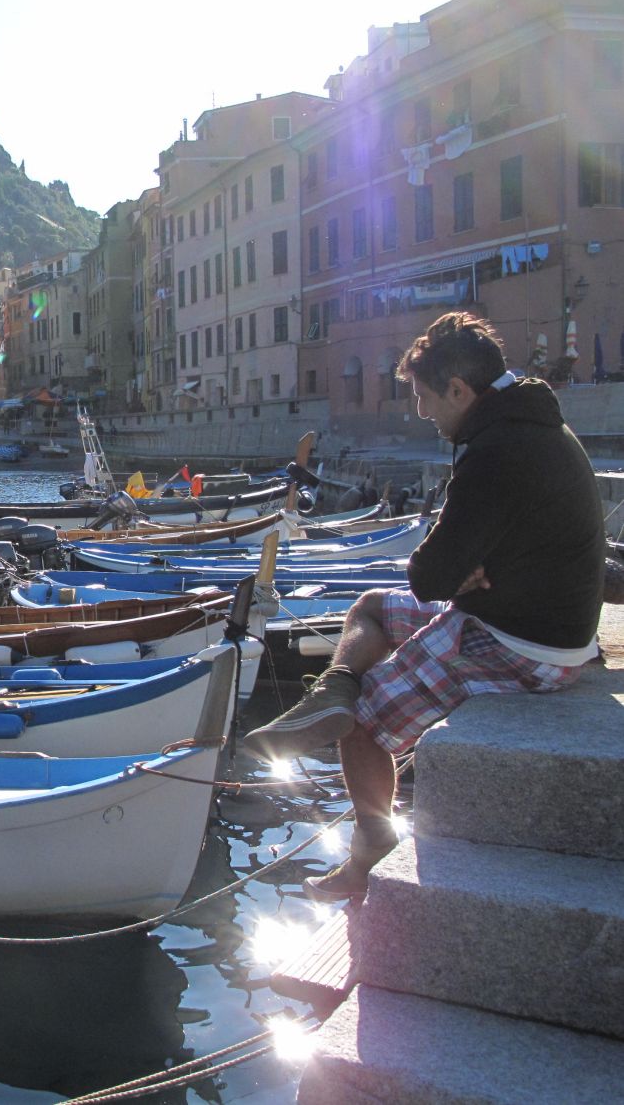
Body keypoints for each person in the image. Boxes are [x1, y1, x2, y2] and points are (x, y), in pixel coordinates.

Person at [242, 312, 605, 901]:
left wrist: (457, 578)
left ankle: (365, 862)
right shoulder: (533, 426)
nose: (421, 411)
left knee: (363, 726)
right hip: (544, 622)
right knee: (373, 606)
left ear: (459, 390)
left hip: (522, 645)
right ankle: (331, 688)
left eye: (424, 395)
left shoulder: (496, 452)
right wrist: (465, 574)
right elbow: (441, 575)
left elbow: (428, 575)